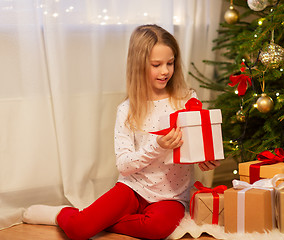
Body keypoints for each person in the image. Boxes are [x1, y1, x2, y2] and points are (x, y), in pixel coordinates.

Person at [22, 24, 220, 240]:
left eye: (170, 63)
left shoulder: (187, 100)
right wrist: (158, 145)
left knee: (156, 229)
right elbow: (124, 165)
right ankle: (61, 214)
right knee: (78, 230)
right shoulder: (127, 110)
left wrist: (205, 159)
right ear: (138, 65)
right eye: (156, 65)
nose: (165, 71)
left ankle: (94, 219)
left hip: (171, 196)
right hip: (133, 188)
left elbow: (194, 148)